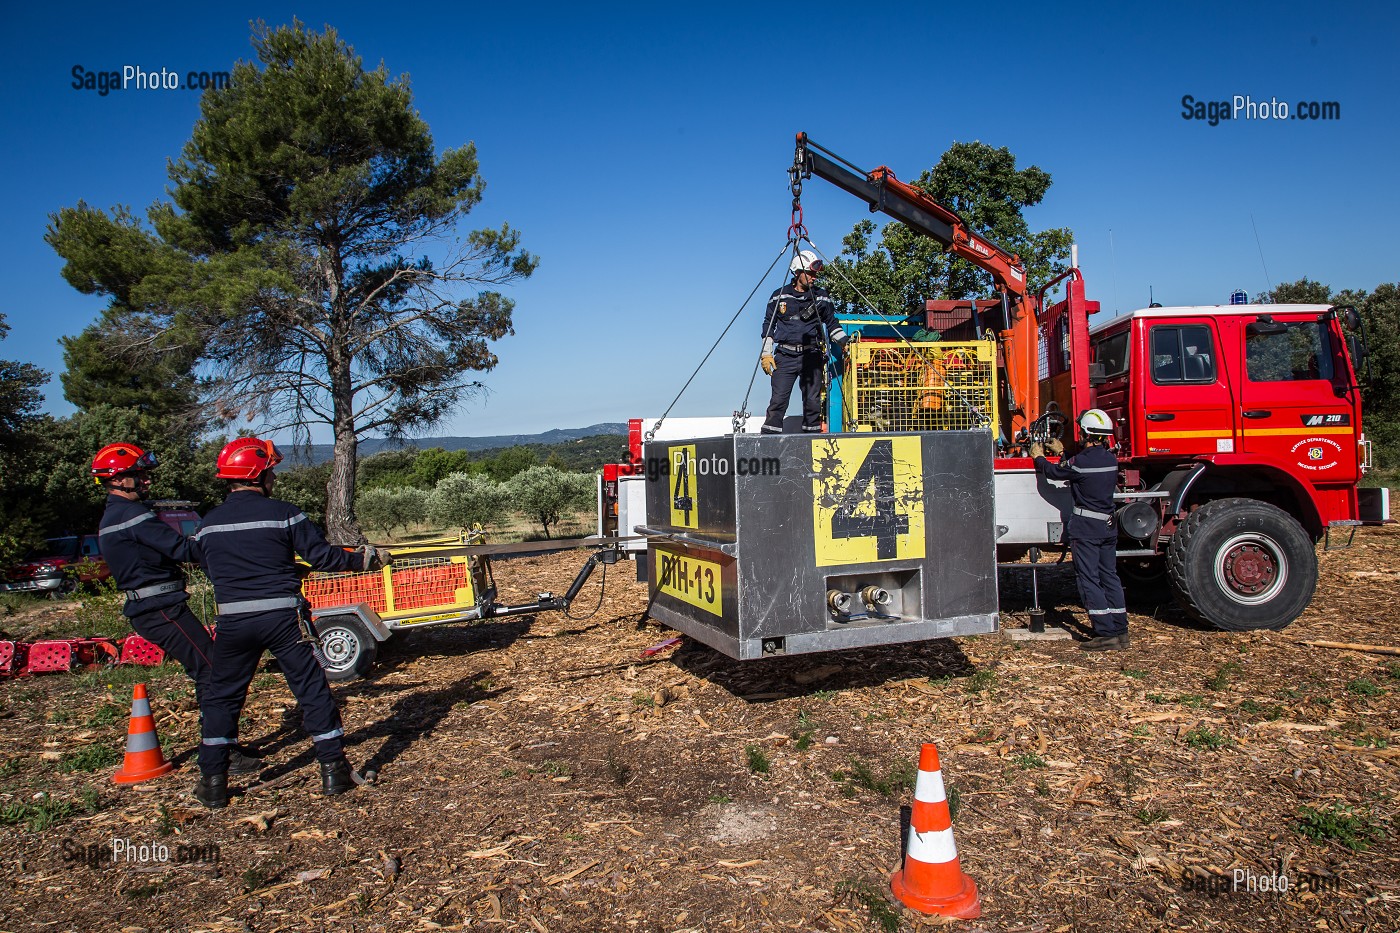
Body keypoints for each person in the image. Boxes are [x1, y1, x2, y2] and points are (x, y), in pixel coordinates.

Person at [191, 437, 384, 808]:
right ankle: (334, 772)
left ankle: (213, 782)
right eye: (270, 472)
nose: (274, 478)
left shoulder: (207, 524)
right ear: (257, 475)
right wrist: (365, 560)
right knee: (311, 690)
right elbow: (324, 557)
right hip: (283, 619)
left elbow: (217, 564)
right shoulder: (284, 514)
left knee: (223, 697)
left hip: (233, 622)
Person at [91, 443, 261, 773]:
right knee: (212, 670)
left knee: (208, 669)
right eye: (139, 476)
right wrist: (225, 541)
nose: (146, 483)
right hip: (162, 609)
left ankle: (222, 745)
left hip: (156, 608)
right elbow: (182, 549)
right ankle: (220, 752)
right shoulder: (132, 515)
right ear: (118, 479)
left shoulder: (114, 516)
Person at [1030, 410, 1129, 651]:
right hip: (1107, 526)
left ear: (1086, 434)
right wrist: (1063, 453)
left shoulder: (1081, 462)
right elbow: (1074, 468)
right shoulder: (1110, 460)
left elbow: (1055, 473)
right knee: (1110, 576)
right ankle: (1120, 630)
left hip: (1086, 529)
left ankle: (1105, 633)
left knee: (1089, 579)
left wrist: (1039, 457)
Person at [760, 250, 849, 434]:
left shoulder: (822, 297)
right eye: (810, 273)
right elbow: (769, 325)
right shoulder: (779, 296)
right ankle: (768, 441)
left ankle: (812, 443)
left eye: (815, 274)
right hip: (784, 356)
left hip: (812, 355)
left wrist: (845, 343)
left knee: (812, 402)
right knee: (778, 400)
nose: (814, 277)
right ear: (797, 271)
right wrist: (766, 353)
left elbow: (832, 324)